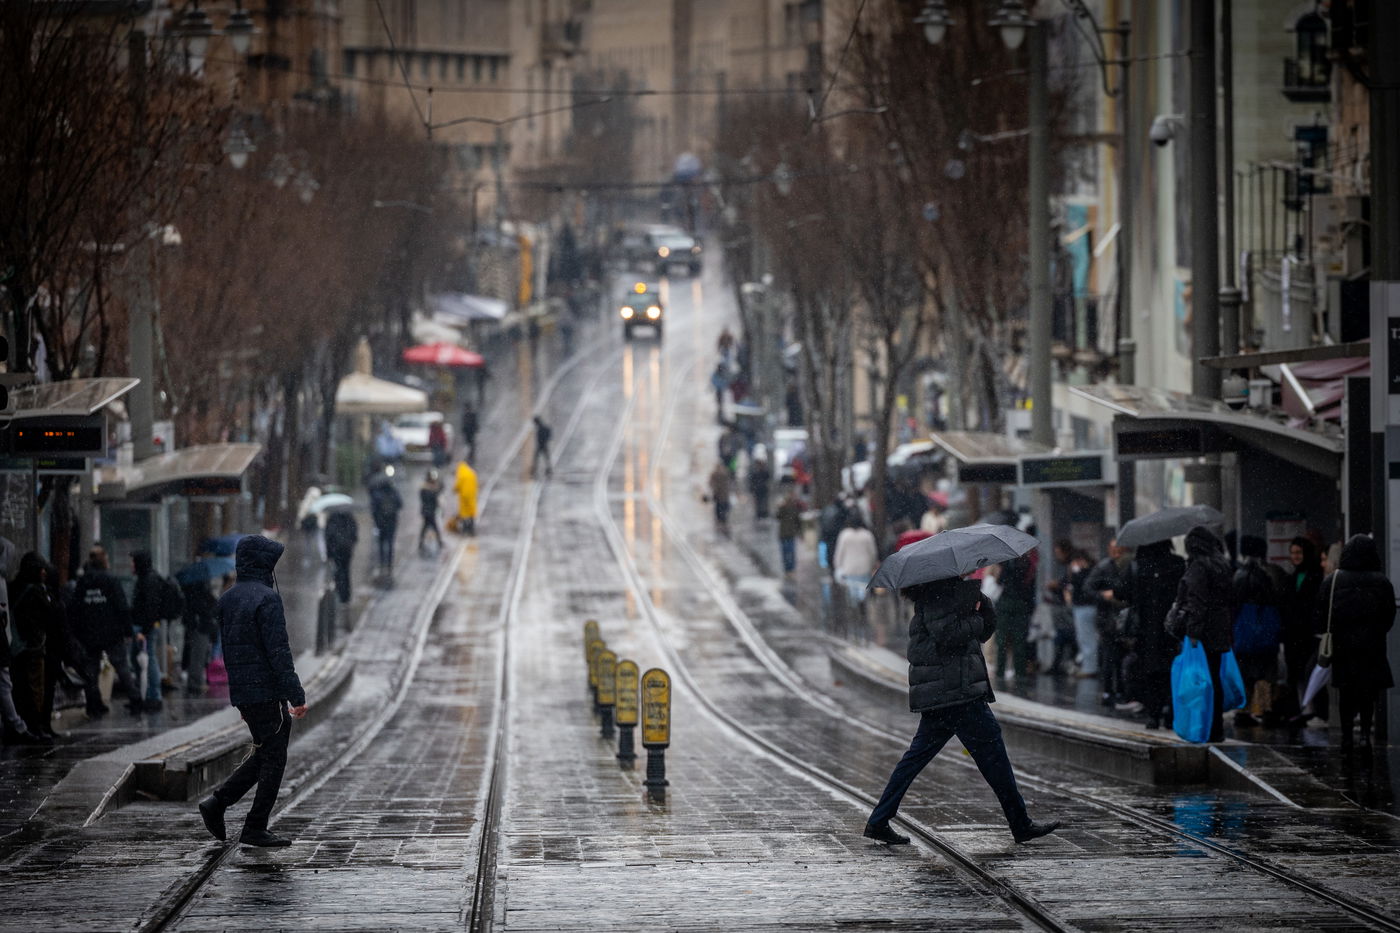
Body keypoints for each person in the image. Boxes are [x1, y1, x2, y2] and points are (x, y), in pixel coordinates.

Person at [864, 575, 1060, 846]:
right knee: (994, 756)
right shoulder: (938, 595)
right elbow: (949, 635)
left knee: (916, 759)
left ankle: (878, 820)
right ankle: (1020, 823)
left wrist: (983, 607)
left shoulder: (948, 594)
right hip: (956, 692)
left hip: (949, 692)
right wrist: (975, 616)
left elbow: (981, 633)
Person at [199, 535, 307, 848]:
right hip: (266, 692)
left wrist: (241, 692)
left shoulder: (229, 597)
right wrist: (295, 694)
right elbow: (278, 652)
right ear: (263, 564)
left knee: (266, 752)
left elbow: (232, 650)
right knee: (274, 758)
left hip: (244, 691)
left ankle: (218, 803)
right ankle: (254, 825)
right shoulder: (266, 599)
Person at [1314, 534, 1395, 752]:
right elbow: (1389, 617)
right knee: (1368, 693)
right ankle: (1365, 734)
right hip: (1372, 647)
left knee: (1346, 693)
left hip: (1343, 647)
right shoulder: (1381, 581)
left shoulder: (1333, 581)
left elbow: (1322, 613)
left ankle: (1347, 735)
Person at [1166, 526, 1234, 743]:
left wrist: (1193, 633)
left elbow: (1197, 602)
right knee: (1213, 678)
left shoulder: (1198, 567)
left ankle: (1202, 727)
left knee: (1199, 681)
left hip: (1203, 632)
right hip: (1220, 629)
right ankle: (1217, 728)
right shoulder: (1221, 564)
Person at [71, 546, 141, 716]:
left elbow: (76, 608)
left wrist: (78, 631)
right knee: (122, 667)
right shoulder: (111, 580)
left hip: (89, 634)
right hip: (112, 633)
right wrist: (127, 630)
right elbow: (121, 606)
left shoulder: (83, 582)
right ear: (104, 561)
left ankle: (93, 703)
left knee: (91, 671)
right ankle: (135, 699)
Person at [1124, 539, 1187, 729]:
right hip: (1172, 628)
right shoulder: (1177, 563)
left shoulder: (1138, 566)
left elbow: (1123, 591)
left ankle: (1153, 713)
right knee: (1171, 670)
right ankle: (1171, 712)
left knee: (1150, 672)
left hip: (1146, 629)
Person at [1230, 535, 1284, 727]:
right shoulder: (1271, 573)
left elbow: (1233, 605)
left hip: (1244, 632)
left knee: (1244, 671)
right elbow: (1279, 601)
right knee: (1266, 671)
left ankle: (1243, 710)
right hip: (1266, 631)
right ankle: (1263, 709)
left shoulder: (1238, 575)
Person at [10, 553, 59, 739]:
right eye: (42, 569)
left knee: (19, 688)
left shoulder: (14, 586)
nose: (44, 572)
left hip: (16, 647)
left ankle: (22, 723)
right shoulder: (37, 591)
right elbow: (49, 616)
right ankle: (34, 725)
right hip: (33, 647)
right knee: (35, 688)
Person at [1281, 535, 1325, 725]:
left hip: (1307, 634)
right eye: (1293, 553)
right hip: (1293, 634)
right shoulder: (1292, 577)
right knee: (1295, 674)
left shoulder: (1315, 576)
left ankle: (1312, 709)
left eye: (1299, 552)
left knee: (1308, 671)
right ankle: (1301, 709)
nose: (1295, 556)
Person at [131, 550, 179, 711]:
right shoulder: (147, 578)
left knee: (148, 658)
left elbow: (151, 607)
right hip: (145, 625)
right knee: (140, 659)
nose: (131, 565)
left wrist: (144, 630)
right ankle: (145, 694)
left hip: (145, 627)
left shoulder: (149, 580)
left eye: (134, 561)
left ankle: (153, 696)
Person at [1086, 539, 1131, 706]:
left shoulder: (1128, 566)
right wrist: (1103, 595)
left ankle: (1120, 689)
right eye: (1114, 550)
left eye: (1120, 550)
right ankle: (1108, 691)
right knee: (1109, 656)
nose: (1117, 554)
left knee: (1120, 657)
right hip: (1107, 619)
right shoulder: (1104, 567)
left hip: (1123, 618)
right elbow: (1088, 588)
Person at [833, 514, 879, 630]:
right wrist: (872, 564)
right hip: (864, 569)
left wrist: (838, 566)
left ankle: (854, 614)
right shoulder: (867, 535)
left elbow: (839, 553)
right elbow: (873, 553)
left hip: (849, 569)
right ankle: (862, 612)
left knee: (851, 594)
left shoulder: (844, 535)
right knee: (863, 593)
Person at [182, 571, 219, 696]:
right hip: (201, 627)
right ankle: (195, 684)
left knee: (196, 655)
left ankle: (194, 682)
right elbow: (209, 607)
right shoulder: (200, 593)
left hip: (197, 627)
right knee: (198, 656)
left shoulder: (191, 592)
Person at [1066, 549, 1098, 677]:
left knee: (1086, 638)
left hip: (1085, 607)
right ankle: (1088, 666)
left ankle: (1090, 668)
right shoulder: (1090, 571)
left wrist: (1075, 574)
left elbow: (1082, 587)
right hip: (1083, 607)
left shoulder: (1085, 573)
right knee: (1084, 638)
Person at [368, 472, 403, 574]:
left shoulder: (377, 494)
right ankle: (389, 563)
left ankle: (383, 562)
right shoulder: (394, 493)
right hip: (392, 522)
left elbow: (373, 509)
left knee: (381, 542)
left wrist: (376, 519)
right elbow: (400, 504)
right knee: (390, 542)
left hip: (380, 523)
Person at [323, 511, 358, 604]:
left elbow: (328, 535)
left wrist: (329, 553)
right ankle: (346, 595)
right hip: (347, 550)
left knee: (338, 571)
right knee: (346, 571)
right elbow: (354, 534)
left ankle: (340, 593)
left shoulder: (332, 518)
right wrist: (351, 543)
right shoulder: (349, 517)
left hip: (336, 550)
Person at [775, 483, 805, 578]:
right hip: (784, 533)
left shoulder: (795, 506)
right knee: (786, 552)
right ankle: (787, 570)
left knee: (790, 553)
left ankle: (791, 569)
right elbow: (778, 517)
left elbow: (798, 519)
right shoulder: (783, 506)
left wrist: (800, 532)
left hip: (790, 533)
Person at [419, 470, 444, 553]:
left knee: (426, 527)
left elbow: (441, 488)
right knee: (433, 527)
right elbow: (433, 497)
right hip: (429, 512)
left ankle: (421, 542)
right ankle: (439, 542)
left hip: (428, 511)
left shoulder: (428, 488)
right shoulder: (427, 489)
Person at [454, 459, 478, 535]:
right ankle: (472, 529)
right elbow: (476, 484)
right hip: (471, 496)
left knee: (464, 513)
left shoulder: (461, 473)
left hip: (464, 496)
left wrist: (454, 490)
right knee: (471, 512)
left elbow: (458, 484)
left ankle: (465, 529)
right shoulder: (472, 473)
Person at [746, 451, 772, 520]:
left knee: (763, 502)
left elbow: (768, 477)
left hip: (762, 489)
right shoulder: (755, 471)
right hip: (758, 489)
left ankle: (764, 513)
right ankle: (759, 514)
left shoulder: (763, 471)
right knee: (758, 502)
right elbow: (752, 480)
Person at [708, 460, 732, 530]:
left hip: (719, 495)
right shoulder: (725, 473)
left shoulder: (715, 474)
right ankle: (723, 522)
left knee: (719, 509)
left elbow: (711, 483)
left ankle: (721, 522)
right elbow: (729, 483)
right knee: (722, 509)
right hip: (723, 496)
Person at [532, 414, 553, 478]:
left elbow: (547, 436)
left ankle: (536, 469)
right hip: (543, 444)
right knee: (546, 457)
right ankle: (548, 469)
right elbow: (550, 436)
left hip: (541, 444)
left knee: (538, 457)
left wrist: (543, 441)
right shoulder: (544, 428)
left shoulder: (541, 428)